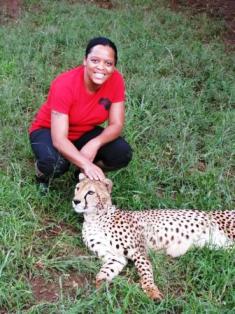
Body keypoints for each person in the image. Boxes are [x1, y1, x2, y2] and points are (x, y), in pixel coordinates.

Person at [29, 36, 132, 192]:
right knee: (55, 164)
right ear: (85, 60)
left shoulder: (116, 80)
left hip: (84, 131)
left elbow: (116, 124)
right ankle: (41, 174)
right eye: (95, 60)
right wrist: (86, 163)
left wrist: (94, 143)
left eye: (108, 63)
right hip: (48, 130)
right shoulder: (64, 84)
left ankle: (80, 174)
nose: (101, 68)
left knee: (122, 153)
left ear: (114, 66)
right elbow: (59, 139)